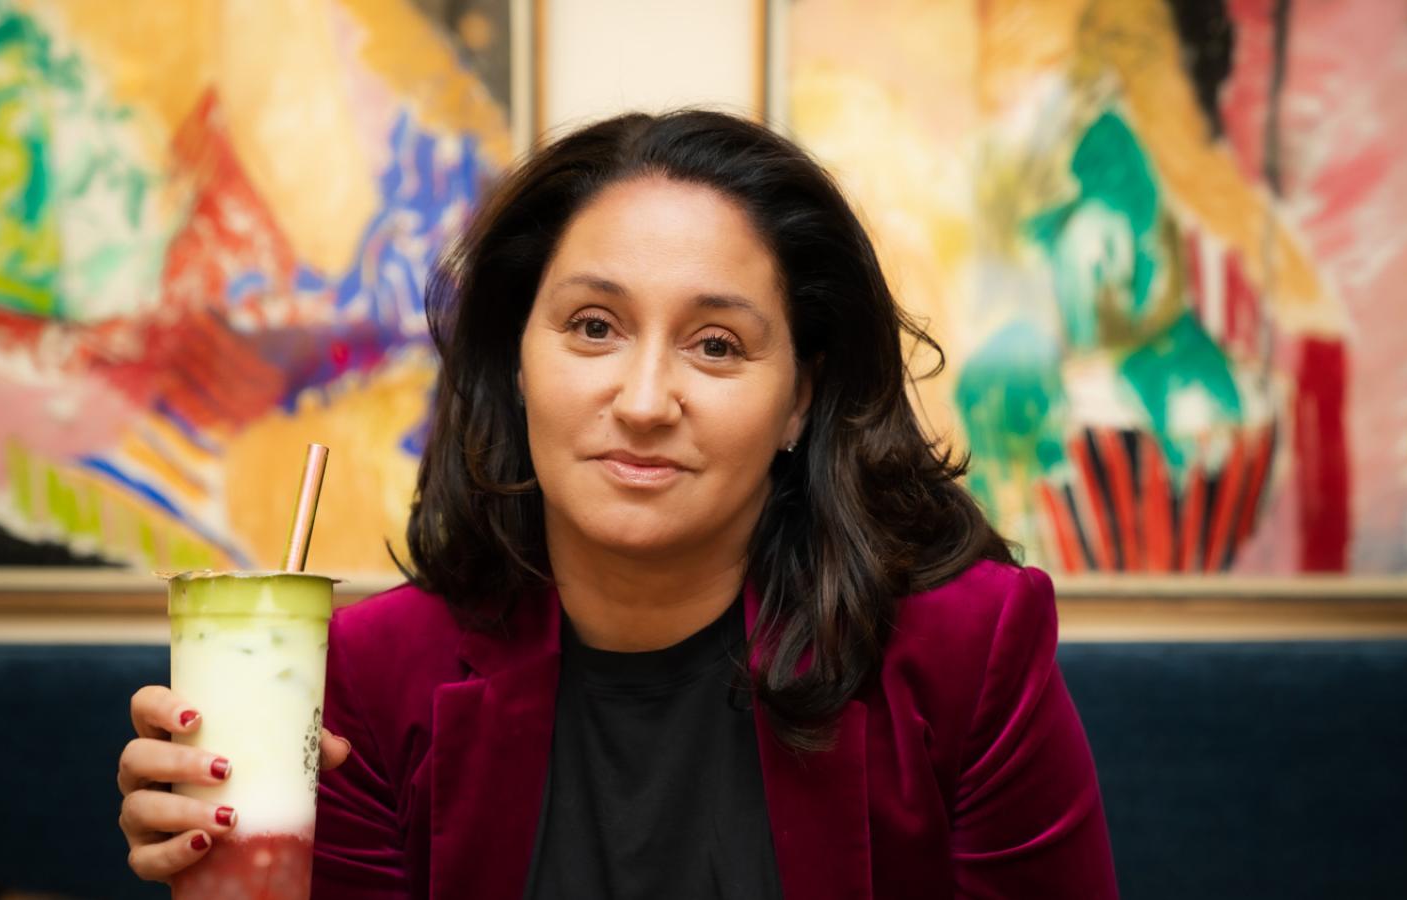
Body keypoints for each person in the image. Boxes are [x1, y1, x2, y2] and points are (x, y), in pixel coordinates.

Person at [116, 109, 1119, 899]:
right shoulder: (370, 684)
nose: (643, 403)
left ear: (799, 400)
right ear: (516, 359)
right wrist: (225, 869)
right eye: (593, 327)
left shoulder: (967, 656)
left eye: (716, 344)